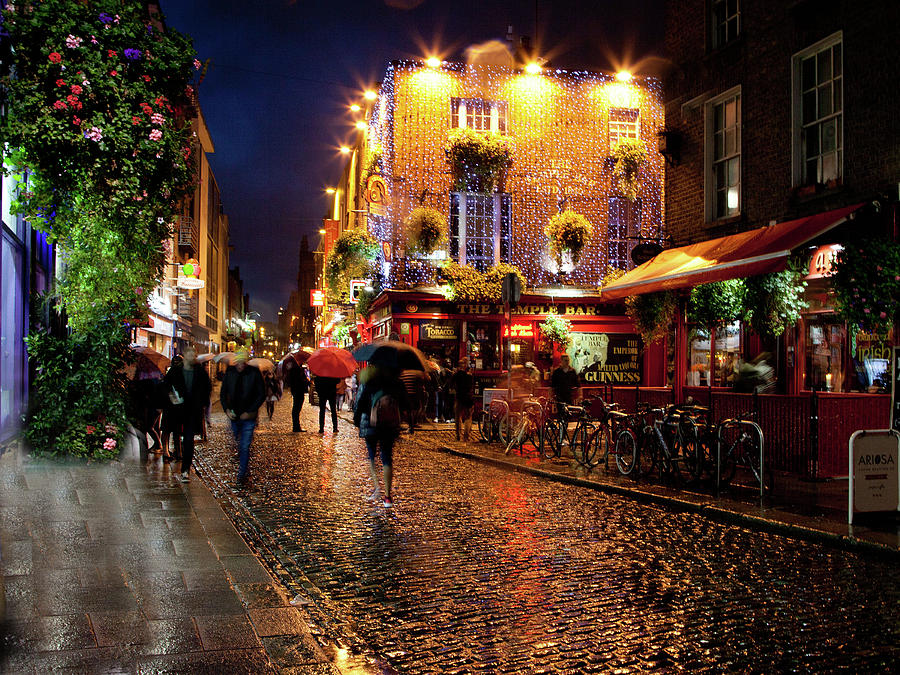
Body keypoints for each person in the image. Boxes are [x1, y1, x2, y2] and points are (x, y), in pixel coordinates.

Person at [354, 365, 407, 508]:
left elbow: (359, 402)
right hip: (389, 424)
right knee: (387, 457)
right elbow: (404, 403)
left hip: (370, 423)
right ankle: (388, 496)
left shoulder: (368, 379)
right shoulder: (396, 382)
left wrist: (356, 419)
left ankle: (377, 487)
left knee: (372, 456)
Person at [163, 345, 211, 483]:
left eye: (193, 354)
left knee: (189, 440)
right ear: (185, 355)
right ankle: (179, 455)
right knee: (177, 435)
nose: (191, 357)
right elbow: (166, 384)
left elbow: (206, 389)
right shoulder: (176, 370)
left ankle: (185, 469)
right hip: (178, 410)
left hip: (192, 411)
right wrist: (172, 396)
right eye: (189, 354)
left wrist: (202, 404)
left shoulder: (200, 372)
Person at [220, 349, 266, 484]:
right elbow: (223, 394)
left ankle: (242, 474)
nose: (240, 365)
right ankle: (243, 464)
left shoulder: (254, 373)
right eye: (239, 362)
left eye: (243, 362)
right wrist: (227, 410)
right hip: (234, 415)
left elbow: (261, 394)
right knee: (237, 444)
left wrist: (251, 411)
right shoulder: (230, 373)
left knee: (245, 445)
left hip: (248, 416)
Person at [449, 358, 475, 441]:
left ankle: (457, 435)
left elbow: (451, 384)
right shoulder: (469, 375)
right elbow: (471, 386)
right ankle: (466, 436)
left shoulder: (456, 374)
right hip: (467, 397)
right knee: (468, 417)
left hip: (459, 397)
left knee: (458, 417)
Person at [399, 368, 427, 434]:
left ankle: (410, 426)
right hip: (414, 394)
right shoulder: (417, 373)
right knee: (414, 410)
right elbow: (422, 383)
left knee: (408, 411)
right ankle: (412, 425)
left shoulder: (403, 373)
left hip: (406, 394)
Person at [286, 361, 310, 432]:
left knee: (296, 409)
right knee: (296, 408)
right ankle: (296, 426)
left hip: (296, 391)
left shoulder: (294, 370)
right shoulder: (296, 370)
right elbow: (300, 381)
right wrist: (306, 380)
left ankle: (296, 426)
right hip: (298, 391)